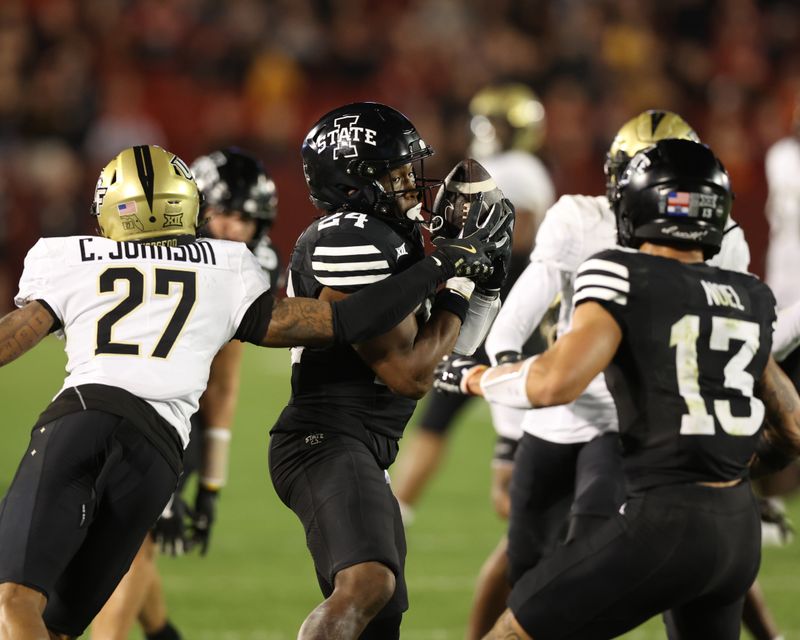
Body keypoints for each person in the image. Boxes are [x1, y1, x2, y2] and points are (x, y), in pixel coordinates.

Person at [0, 143, 505, 640]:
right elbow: (342, 321)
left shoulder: (70, 256)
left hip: (81, 420)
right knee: (61, 628)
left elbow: (15, 335)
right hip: (156, 456)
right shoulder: (224, 267)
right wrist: (443, 267)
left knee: (18, 602)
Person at [434, 138, 800, 640]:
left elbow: (553, 383)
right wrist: (731, 465)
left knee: (512, 632)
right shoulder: (749, 295)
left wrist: (469, 377)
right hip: (736, 529)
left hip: (662, 522)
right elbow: (792, 429)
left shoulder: (620, 273)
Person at [268, 101, 514, 640]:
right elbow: (411, 373)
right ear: (355, 183)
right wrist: (454, 276)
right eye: (396, 173)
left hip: (363, 444)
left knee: (380, 620)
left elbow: (452, 346)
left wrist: (481, 281)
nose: (411, 184)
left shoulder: (387, 238)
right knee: (367, 584)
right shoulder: (347, 235)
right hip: (325, 439)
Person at [90, 147, 282, 640]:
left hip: (173, 419)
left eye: (249, 218)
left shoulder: (242, 268)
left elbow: (223, 378)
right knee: (113, 538)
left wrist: (206, 486)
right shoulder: (160, 246)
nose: (238, 229)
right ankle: (162, 634)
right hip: (106, 398)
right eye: (227, 214)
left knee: (131, 544)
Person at [393, 85, 555, 563]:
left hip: (492, 305)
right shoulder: (522, 168)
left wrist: (467, 258)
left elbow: (509, 236)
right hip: (504, 306)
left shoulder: (504, 170)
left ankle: (400, 507)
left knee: (451, 411)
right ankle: (531, 512)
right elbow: (514, 238)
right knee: (502, 418)